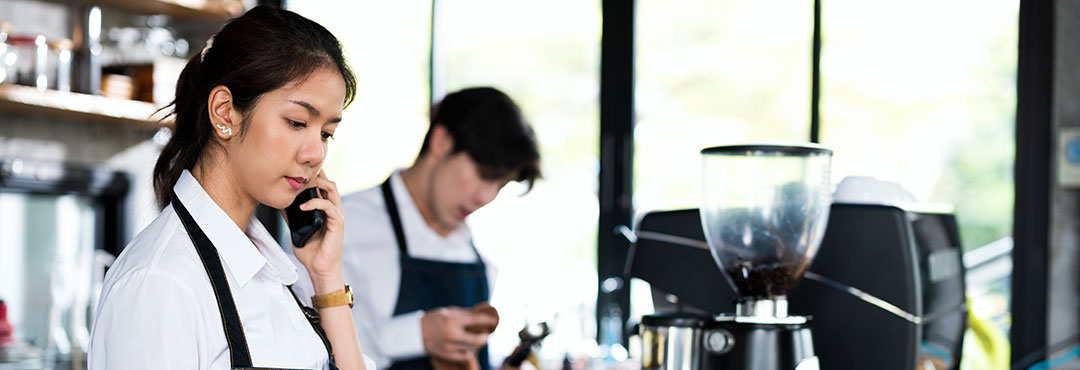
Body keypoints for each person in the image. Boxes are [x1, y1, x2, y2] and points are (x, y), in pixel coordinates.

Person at [88, 6, 375, 370]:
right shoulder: (160, 283)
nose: (315, 153)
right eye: (297, 122)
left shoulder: (279, 274)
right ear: (225, 112)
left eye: (326, 133)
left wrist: (326, 275)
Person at [291, 87, 542, 370]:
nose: (486, 197)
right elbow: (303, 350)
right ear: (443, 141)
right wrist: (415, 334)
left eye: (500, 185)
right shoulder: (339, 226)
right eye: (485, 175)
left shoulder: (480, 254)